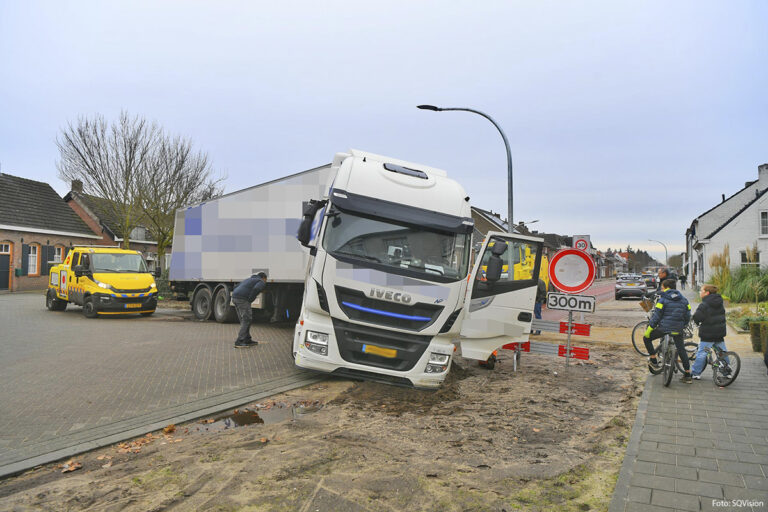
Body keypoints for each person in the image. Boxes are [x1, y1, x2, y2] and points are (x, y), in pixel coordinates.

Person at [643, 279, 693, 383]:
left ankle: (654, 361)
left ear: (666, 288)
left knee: (646, 338)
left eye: (662, 287)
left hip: (664, 329)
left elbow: (656, 316)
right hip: (678, 329)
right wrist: (683, 325)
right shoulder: (684, 300)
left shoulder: (662, 300)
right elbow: (688, 315)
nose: (661, 289)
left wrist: (650, 329)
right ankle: (688, 374)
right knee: (681, 349)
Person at [690, 284, 727, 380]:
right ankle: (727, 372)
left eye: (701, 290)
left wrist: (696, 322)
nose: (700, 292)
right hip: (719, 332)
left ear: (707, 293)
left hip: (708, 334)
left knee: (702, 353)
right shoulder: (719, 302)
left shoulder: (704, 304)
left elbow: (697, 317)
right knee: (722, 352)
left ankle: (696, 373)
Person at [231, 272, 267, 348]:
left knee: (244, 319)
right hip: (242, 299)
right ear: (264, 278)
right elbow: (257, 288)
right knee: (247, 319)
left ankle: (247, 339)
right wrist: (250, 299)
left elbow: (236, 286)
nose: (266, 281)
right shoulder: (261, 281)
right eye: (266, 280)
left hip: (235, 297)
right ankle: (240, 341)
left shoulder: (249, 279)